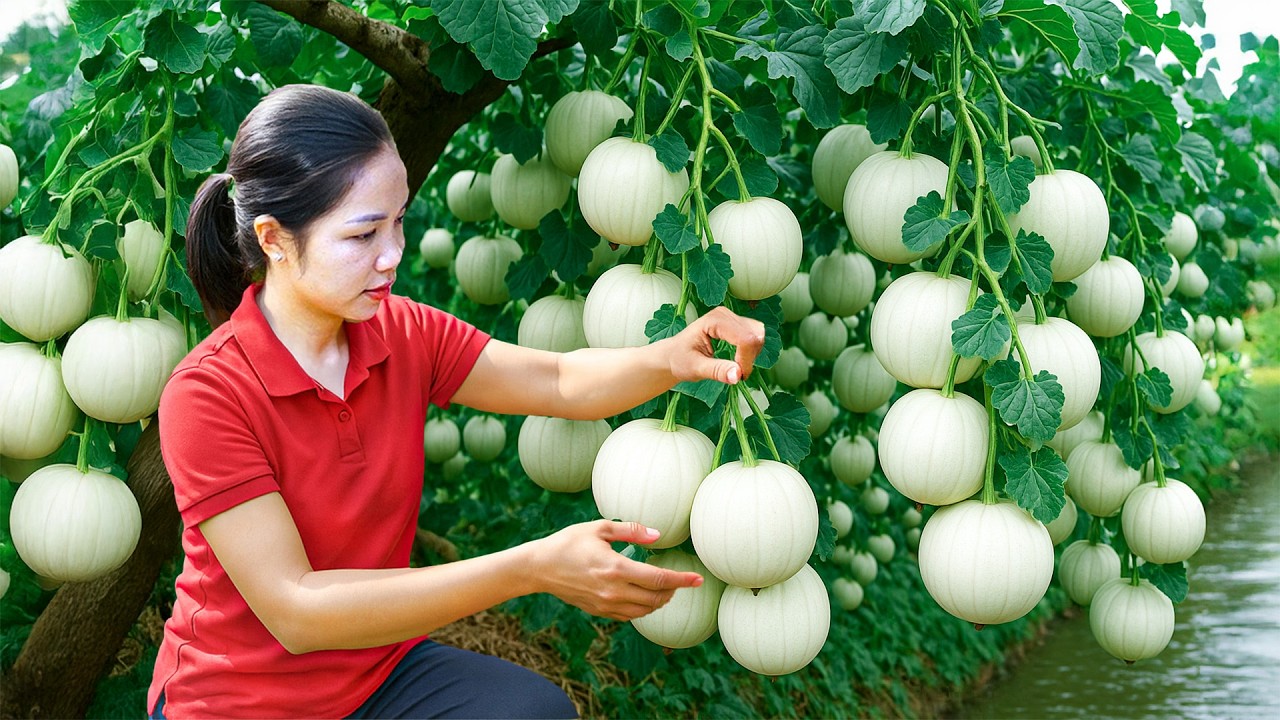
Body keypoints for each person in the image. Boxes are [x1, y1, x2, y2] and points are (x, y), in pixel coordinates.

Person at [146, 84, 764, 719]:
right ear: (274, 239)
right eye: (362, 236)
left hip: (377, 674)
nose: (392, 257)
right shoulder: (207, 393)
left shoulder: (403, 332)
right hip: (239, 701)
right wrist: (532, 568)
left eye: (399, 222)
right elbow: (297, 611)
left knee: (536, 713)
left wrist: (670, 359)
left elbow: (556, 380)